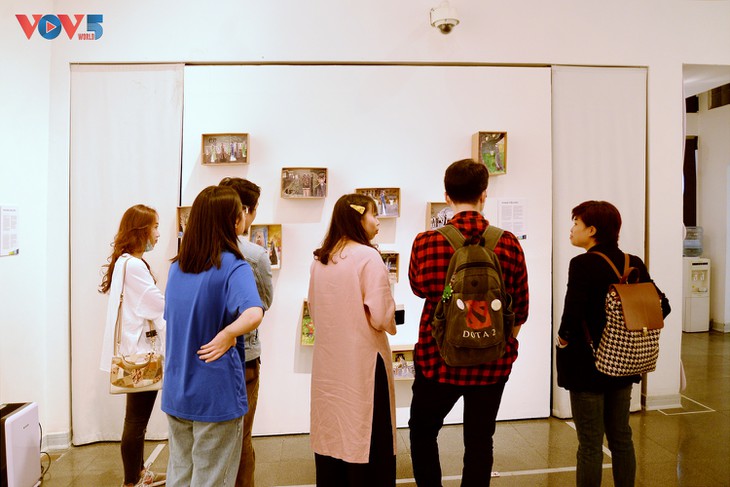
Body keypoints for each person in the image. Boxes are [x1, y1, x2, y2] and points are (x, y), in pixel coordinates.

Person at [408, 158, 529, 486]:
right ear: (484, 194)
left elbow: (419, 289)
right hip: (492, 364)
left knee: (423, 431)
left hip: (438, 360)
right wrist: (498, 343)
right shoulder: (508, 242)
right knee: (480, 439)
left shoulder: (426, 241)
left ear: (447, 196)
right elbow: (520, 309)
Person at [556, 200, 670, 487]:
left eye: (576, 224)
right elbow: (663, 306)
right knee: (621, 437)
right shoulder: (633, 263)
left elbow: (572, 314)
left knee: (590, 444)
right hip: (623, 362)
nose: (572, 229)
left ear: (592, 230)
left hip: (587, 364)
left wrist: (563, 338)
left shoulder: (582, 264)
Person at [162, 186, 264, 486]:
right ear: (232, 221)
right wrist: (229, 333)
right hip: (215, 393)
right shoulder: (234, 266)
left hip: (177, 388)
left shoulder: (178, 267)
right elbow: (254, 312)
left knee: (180, 475)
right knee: (211, 479)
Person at [308, 193, 397, 486]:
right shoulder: (368, 257)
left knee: (332, 430)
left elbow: (314, 309)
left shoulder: (321, 258)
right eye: (374, 215)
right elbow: (380, 315)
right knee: (366, 432)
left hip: (329, 363)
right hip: (363, 362)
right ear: (358, 217)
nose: (378, 222)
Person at [99, 204, 166, 487]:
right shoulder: (135, 266)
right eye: (155, 227)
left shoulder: (125, 262)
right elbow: (158, 305)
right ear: (141, 230)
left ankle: (138, 474)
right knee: (137, 420)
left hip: (132, 350)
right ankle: (132, 480)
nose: (158, 234)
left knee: (135, 419)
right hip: (141, 354)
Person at [219, 177, 274, 487]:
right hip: (244, 356)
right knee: (241, 437)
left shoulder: (194, 252)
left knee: (209, 437)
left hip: (203, 355)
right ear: (244, 211)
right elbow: (262, 304)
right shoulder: (254, 255)